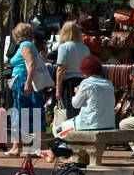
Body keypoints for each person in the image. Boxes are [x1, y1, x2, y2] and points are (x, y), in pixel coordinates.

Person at [6, 23, 49, 157]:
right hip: (25, 81)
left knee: (21, 113)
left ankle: (26, 146)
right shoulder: (29, 46)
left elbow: (31, 64)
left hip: (24, 81)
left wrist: (28, 83)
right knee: (32, 112)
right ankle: (26, 145)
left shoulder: (25, 46)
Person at [71, 55, 116, 132]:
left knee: (62, 129)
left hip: (90, 124)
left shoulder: (86, 83)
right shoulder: (109, 84)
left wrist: (77, 93)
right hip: (109, 124)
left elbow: (75, 104)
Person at [54, 21, 89, 121]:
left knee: (70, 110)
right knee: (81, 110)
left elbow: (61, 69)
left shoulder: (64, 47)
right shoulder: (85, 48)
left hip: (69, 82)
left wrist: (58, 88)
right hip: (82, 81)